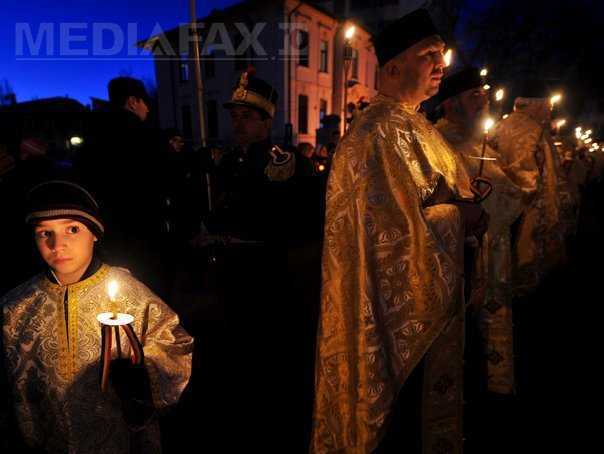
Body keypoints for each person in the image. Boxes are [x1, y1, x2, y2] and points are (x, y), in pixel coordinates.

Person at [311, 9, 488, 454]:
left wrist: (467, 212)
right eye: (429, 54)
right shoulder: (375, 134)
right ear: (392, 67)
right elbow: (390, 238)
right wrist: (459, 218)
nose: (441, 65)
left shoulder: (418, 127)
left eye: (442, 54)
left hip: (436, 305)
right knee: (401, 431)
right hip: (396, 321)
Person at [0, 180, 193, 453]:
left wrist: (144, 377)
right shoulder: (14, 308)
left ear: (94, 233)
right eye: (45, 233)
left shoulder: (133, 297)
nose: (58, 244)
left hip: (118, 441)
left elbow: (174, 345)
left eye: (73, 229)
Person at [436, 67, 526, 395]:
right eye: (474, 95)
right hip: (460, 261)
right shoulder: (440, 140)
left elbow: (501, 190)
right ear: (450, 104)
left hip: (493, 252)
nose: (484, 100)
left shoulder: (479, 141)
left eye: (483, 93)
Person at [75, 77, 167, 297]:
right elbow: (163, 185)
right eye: (145, 103)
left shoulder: (91, 139)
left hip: (106, 239)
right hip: (145, 237)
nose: (147, 110)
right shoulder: (146, 137)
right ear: (133, 102)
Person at [490, 80, 565, 297]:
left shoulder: (500, 126)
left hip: (501, 212)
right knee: (525, 270)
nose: (550, 112)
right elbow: (528, 179)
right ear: (538, 104)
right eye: (548, 107)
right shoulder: (532, 131)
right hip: (527, 214)